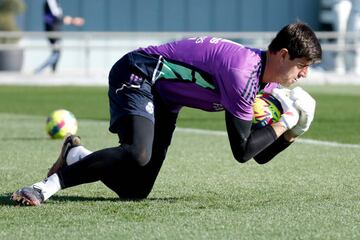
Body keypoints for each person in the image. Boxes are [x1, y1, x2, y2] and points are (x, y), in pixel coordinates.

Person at [11, 22, 322, 206]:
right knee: (138, 153)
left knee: (136, 189)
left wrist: (293, 133)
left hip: (164, 99)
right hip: (137, 73)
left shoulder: (260, 83)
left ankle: (77, 154)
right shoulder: (241, 74)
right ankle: (46, 186)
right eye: (302, 65)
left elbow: (258, 153)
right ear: (283, 55)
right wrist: (288, 120)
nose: (304, 75)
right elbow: (242, 151)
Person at [34, 0, 85, 74]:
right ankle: (39, 70)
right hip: (53, 31)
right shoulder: (51, 1)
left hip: (55, 30)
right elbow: (56, 16)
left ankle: (52, 71)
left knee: (57, 53)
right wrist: (73, 21)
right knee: (56, 53)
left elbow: (59, 17)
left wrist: (71, 21)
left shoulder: (55, 2)